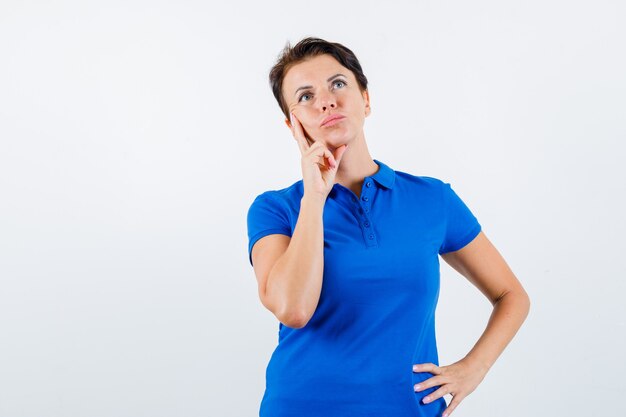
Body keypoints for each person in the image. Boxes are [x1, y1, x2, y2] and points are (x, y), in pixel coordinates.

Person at [246, 37, 530, 417]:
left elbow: (511, 295)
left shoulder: (432, 199)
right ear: (292, 124)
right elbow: (292, 309)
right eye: (305, 96)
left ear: (365, 99)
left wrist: (471, 370)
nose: (326, 101)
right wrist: (314, 198)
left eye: (338, 84)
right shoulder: (276, 210)